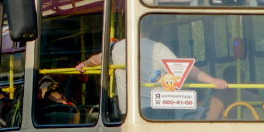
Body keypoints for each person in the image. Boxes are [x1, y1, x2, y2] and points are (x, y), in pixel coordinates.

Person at [75, 18, 227, 113]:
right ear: (151, 27)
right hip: (160, 110)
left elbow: (96, 61)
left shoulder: (117, 48)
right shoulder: (158, 48)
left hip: (129, 112)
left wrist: (83, 64)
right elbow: (187, 70)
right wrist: (213, 81)